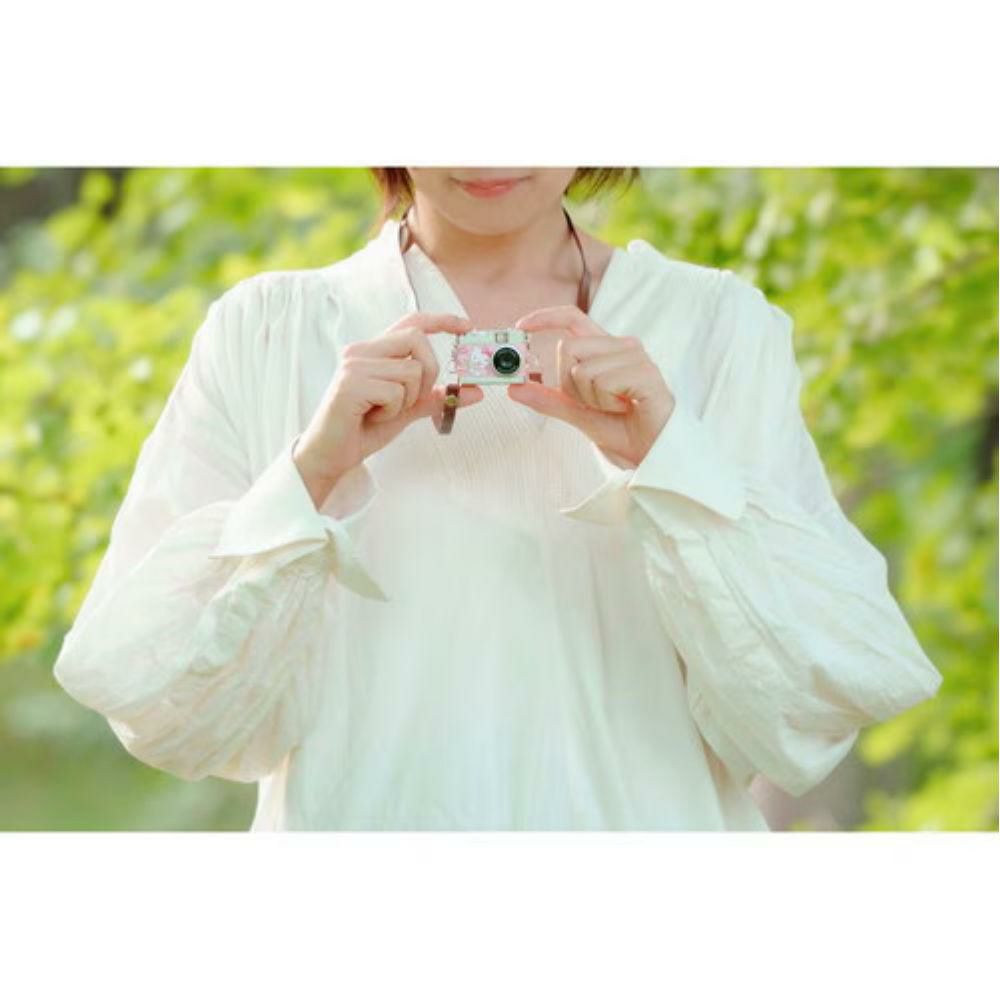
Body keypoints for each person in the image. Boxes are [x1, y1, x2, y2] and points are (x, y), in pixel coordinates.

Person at [51, 167, 944, 831]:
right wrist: (312, 473)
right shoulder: (268, 331)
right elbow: (157, 701)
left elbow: (813, 701)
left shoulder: (715, 323)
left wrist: (669, 458)